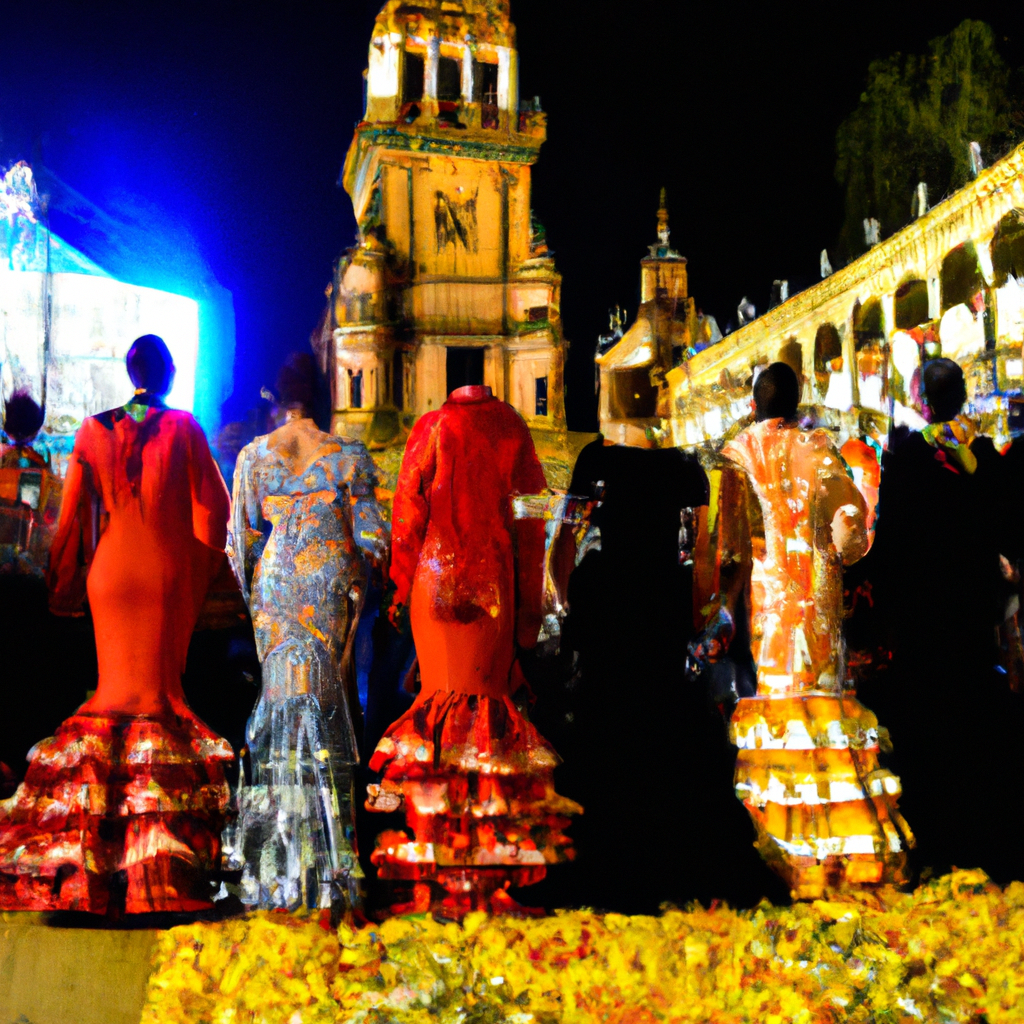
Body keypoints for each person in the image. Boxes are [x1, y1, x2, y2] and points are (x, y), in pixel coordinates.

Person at [0, 335, 233, 914]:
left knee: (111, 699)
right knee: (155, 701)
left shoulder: (92, 429)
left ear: (129, 371)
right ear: (170, 373)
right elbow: (216, 508)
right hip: (158, 571)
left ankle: (89, 859)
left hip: (110, 571)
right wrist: (201, 566)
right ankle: (150, 865)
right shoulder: (183, 427)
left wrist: (62, 585)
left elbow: (72, 511)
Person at [365, 384, 579, 917]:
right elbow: (530, 523)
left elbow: (406, 518)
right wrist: (530, 605)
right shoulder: (512, 430)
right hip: (491, 583)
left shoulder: (431, 427)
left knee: (436, 704)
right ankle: (481, 861)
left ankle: (435, 855)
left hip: (434, 580)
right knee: (484, 706)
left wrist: (401, 586)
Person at [711, 362, 910, 899]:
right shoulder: (820, 452)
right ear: (798, 405)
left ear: (754, 405)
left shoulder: (736, 456)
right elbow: (851, 530)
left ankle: (777, 842)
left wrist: (722, 609)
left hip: (766, 607)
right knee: (821, 712)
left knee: (776, 709)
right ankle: (838, 848)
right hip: (816, 606)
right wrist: (841, 553)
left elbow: (728, 547)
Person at [225, 353, 387, 910]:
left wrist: (257, 598)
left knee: (279, 706)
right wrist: (358, 592)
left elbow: (238, 546)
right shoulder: (348, 455)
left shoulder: (253, 456)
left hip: (275, 584)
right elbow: (373, 541)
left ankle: (276, 870)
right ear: (324, 398)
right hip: (325, 578)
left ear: (276, 399)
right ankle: (330, 869)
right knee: (327, 706)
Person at [871, 357, 1020, 883]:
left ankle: (936, 833)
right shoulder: (983, 455)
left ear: (922, 401)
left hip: (923, 618)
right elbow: (1007, 525)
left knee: (930, 724)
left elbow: (887, 544)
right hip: (972, 616)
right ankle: (985, 829)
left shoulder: (908, 457)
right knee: (976, 715)